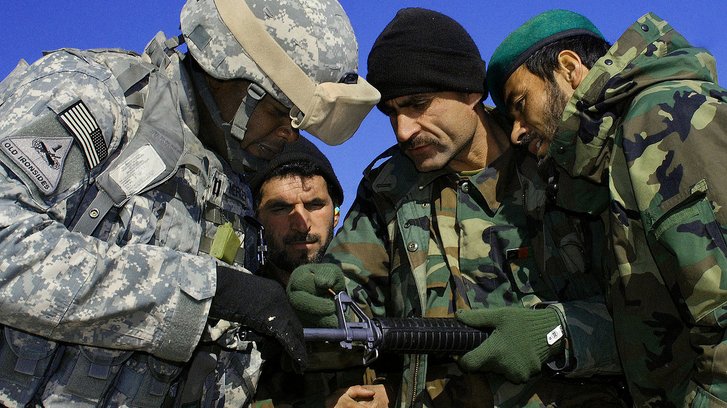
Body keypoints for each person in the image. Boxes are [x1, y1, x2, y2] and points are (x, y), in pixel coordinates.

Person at [0, 0, 379, 405]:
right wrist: (210, 291)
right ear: (230, 71)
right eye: (280, 112)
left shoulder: (234, 181)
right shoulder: (95, 98)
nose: (290, 135)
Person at [287, 7, 626, 407]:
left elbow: (659, 311)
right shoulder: (388, 190)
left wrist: (560, 331)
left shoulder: (561, 158)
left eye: (418, 103)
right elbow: (349, 296)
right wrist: (323, 295)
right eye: (391, 113)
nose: (403, 130)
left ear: (471, 92)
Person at [486, 9, 727, 406]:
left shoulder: (660, 121)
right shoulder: (612, 159)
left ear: (568, 68)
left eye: (520, 104)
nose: (516, 132)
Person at [251, 137, 344, 286]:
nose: (301, 226)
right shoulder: (232, 293)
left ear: (336, 215)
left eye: (314, 205)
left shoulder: (364, 297)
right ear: (255, 217)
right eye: (281, 208)